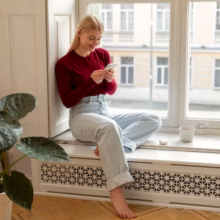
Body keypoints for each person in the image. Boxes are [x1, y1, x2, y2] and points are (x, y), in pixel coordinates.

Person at [55, 15, 162, 219]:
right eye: (91, 38)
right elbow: (67, 101)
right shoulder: (64, 63)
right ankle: (116, 190)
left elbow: (110, 91)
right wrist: (90, 81)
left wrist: (110, 80)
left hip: (104, 110)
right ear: (79, 33)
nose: (96, 44)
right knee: (109, 127)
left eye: (99, 39)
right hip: (81, 116)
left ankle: (114, 145)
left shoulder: (102, 54)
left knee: (153, 119)